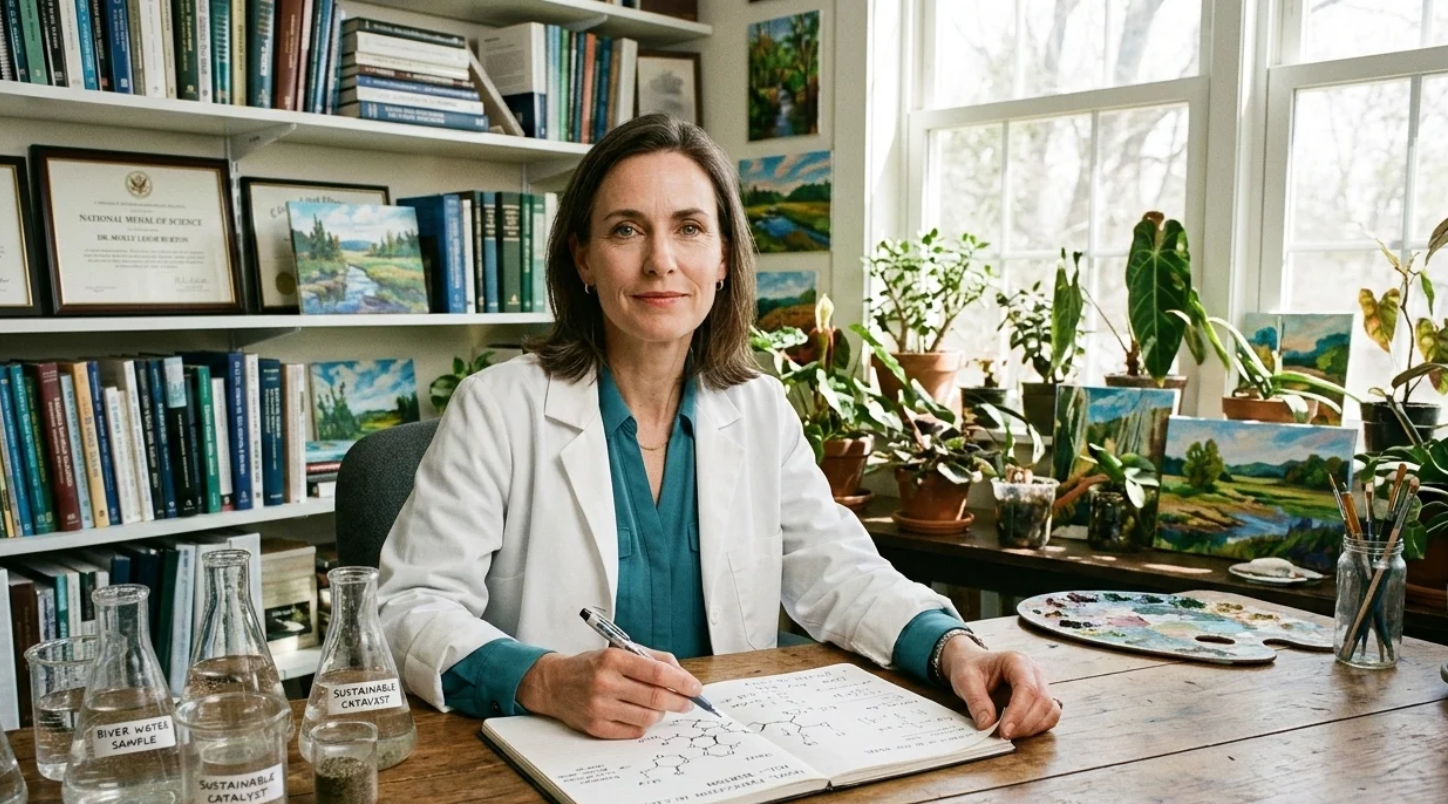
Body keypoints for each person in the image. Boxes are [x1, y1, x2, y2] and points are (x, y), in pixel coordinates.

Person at [376, 114, 1061, 742]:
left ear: (725, 257)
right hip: (548, 762)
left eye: (689, 228)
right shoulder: (497, 407)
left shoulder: (759, 410)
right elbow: (407, 606)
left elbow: (843, 577)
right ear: (582, 258)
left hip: (722, 756)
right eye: (625, 229)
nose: (660, 261)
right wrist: (543, 680)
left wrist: (956, 649)